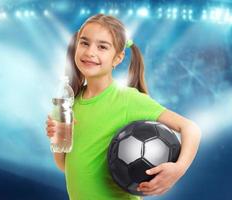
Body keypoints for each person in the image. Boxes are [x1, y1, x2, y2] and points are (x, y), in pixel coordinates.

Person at [45, 14, 201, 200]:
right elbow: (65, 166)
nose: (90, 52)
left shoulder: (128, 100)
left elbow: (191, 128)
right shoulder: (70, 103)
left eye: (102, 47)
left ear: (118, 58)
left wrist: (178, 169)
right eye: (84, 43)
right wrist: (58, 141)